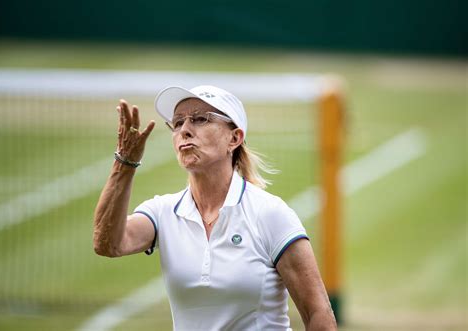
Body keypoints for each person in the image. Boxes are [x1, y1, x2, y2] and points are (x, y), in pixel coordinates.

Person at [93, 85, 337, 331]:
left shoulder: (270, 214)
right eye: (177, 123)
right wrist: (125, 163)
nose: (185, 130)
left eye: (200, 119)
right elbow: (108, 244)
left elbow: (317, 312)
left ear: (234, 138)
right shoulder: (162, 212)